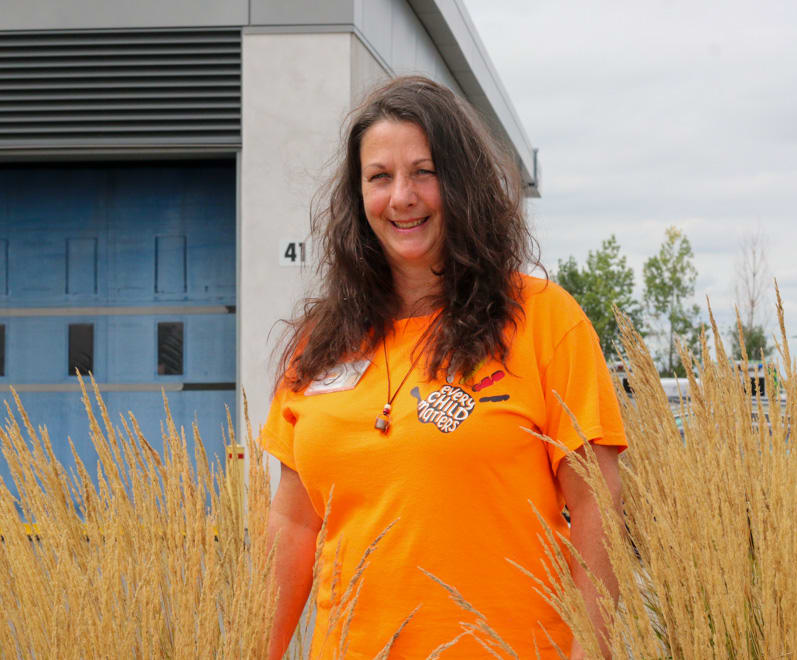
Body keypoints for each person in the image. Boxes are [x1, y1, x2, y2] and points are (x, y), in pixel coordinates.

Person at [263, 76, 627, 659]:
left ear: (463, 185)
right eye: (379, 177)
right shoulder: (320, 344)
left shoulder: (541, 319)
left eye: (423, 172)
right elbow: (294, 526)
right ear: (358, 198)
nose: (401, 196)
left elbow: (596, 509)